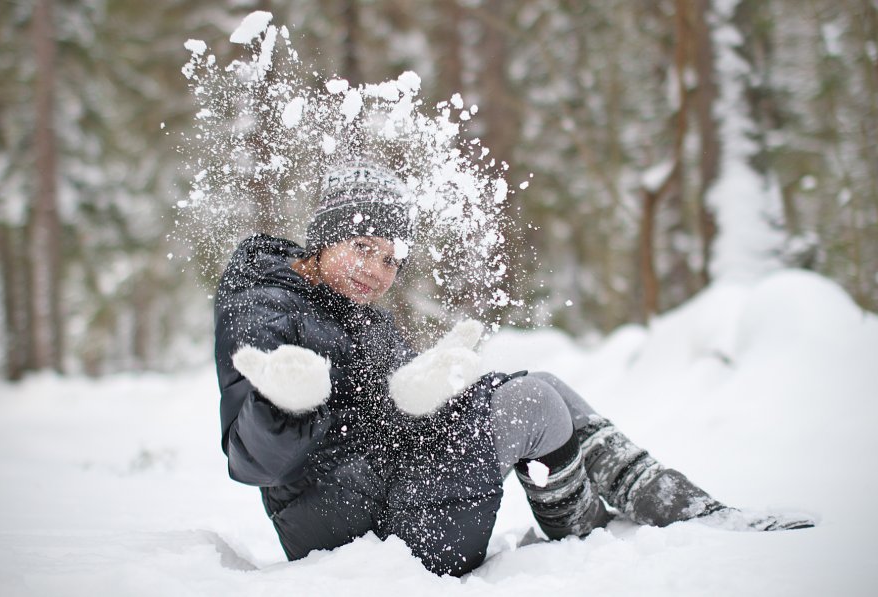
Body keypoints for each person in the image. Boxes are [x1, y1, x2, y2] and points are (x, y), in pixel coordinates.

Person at [213, 161, 813, 577]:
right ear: (325, 239)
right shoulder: (264, 303)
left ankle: (658, 504)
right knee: (534, 404)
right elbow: (253, 462)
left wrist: (421, 396)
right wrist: (282, 404)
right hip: (353, 536)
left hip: (382, 505)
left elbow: (384, 423)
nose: (377, 269)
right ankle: (589, 534)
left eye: (393, 258)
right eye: (363, 247)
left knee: (539, 387)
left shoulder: (360, 314)